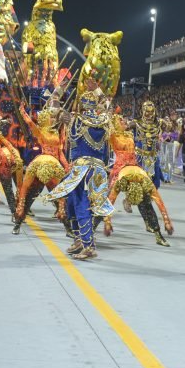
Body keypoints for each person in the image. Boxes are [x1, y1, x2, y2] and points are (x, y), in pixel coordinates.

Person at [44, 86, 115, 260]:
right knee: (70, 206)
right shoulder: (104, 119)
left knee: (82, 206)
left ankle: (89, 246)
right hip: (98, 170)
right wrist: (98, 90)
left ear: (81, 106)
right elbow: (109, 106)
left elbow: (52, 110)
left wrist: (59, 90)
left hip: (82, 171)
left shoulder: (75, 119)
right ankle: (79, 240)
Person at [106, 113, 173, 246]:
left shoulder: (130, 135)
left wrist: (167, 221)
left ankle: (158, 235)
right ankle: (90, 232)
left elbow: (159, 200)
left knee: (146, 201)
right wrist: (107, 223)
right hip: (120, 170)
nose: (124, 121)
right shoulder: (112, 136)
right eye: (120, 120)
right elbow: (111, 201)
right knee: (107, 197)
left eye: (124, 119)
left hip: (136, 168)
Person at [11, 104, 69, 235]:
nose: (52, 119)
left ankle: (68, 229)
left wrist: (66, 166)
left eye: (52, 118)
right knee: (28, 195)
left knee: (61, 197)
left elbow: (60, 152)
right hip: (42, 162)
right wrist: (23, 112)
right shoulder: (40, 131)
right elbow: (30, 124)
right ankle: (18, 224)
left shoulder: (56, 133)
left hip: (53, 165)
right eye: (50, 117)